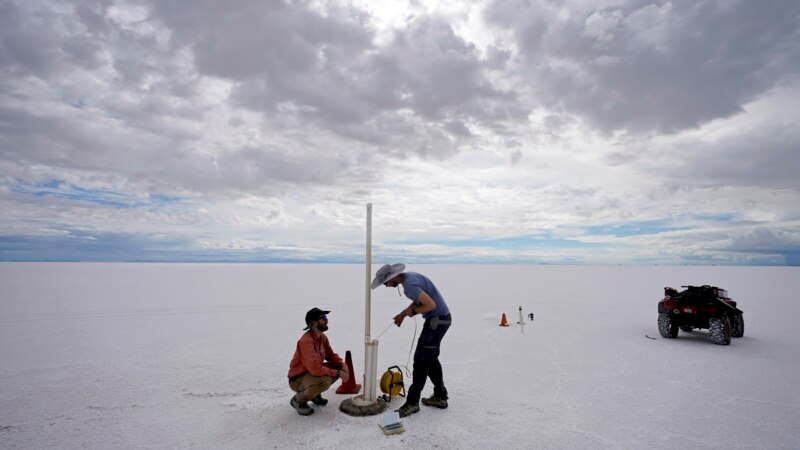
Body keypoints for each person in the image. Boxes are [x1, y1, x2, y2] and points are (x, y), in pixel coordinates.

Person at [372, 264, 451, 417]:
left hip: (437, 321)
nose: (387, 286)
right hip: (442, 320)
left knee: (421, 361)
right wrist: (403, 313)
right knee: (431, 359)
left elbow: (430, 305)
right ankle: (440, 396)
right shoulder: (410, 277)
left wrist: (413, 312)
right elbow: (420, 299)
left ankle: (412, 403)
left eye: (386, 283)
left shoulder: (409, 285)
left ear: (393, 277)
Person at [287, 307, 350, 416]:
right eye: (323, 318)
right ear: (314, 323)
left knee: (336, 367)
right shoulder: (306, 342)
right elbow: (315, 369)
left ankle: (314, 395)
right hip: (297, 378)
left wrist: (341, 364)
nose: (327, 320)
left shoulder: (322, 337)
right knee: (325, 381)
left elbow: (330, 355)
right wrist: (338, 374)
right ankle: (298, 401)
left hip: (311, 373)